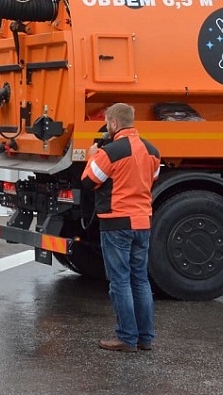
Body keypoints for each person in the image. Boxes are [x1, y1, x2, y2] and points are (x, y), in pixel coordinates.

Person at [81, 103, 161, 353]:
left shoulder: (110, 152)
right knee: (140, 280)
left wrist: (92, 155)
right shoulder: (152, 150)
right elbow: (153, 178)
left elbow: (88, 181)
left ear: (113, 123)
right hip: (143, 222)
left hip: (117, 223)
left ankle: (126, 338)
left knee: (120, 282)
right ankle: (145, 338)